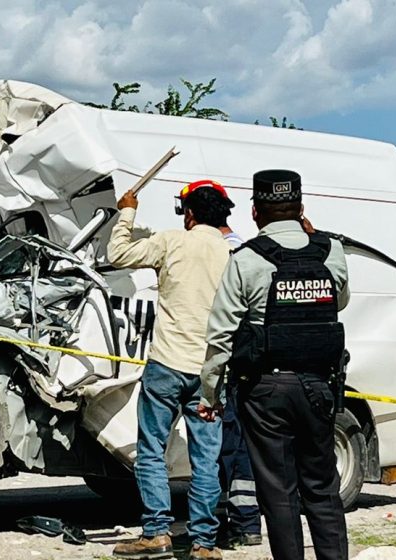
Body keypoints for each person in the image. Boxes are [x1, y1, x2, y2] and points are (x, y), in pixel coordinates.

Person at [199, 169, 350, 560]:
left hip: (265, 389)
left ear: (254, 212)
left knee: (278, 492)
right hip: (319, 386)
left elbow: (220, 334)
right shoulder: (329, 250)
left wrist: (210, 393)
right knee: (322, 486)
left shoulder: (247, 258)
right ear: (301, 209)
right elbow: (340, 301)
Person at [109, 181, 236, 560]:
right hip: (210, 372)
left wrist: (128, 211)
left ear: (190, 214)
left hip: (166, 364)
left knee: (151, 450)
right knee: (205, 459)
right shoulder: (231, 252)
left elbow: (118, 253)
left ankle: (156, 533)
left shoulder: (172, 242)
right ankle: (204, 543)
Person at [175, 182, 261, 548]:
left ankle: (243, 525)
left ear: (192, 213)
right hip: (242, 359)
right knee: (232, 446)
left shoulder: (224, 251)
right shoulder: (244, 248)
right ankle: (239, 523)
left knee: (230, 446)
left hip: (226, 361)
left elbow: (223, 315)